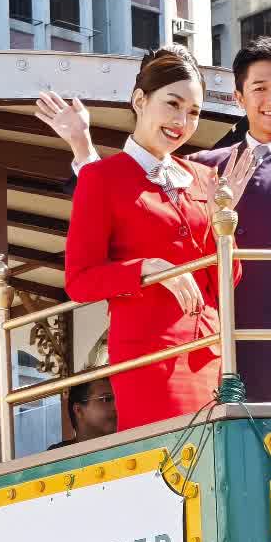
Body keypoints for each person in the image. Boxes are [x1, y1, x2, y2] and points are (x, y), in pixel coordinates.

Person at [44, 38, 271, 404]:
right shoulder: (201, 166)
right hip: (192, 352)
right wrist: (84, 150)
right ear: (239, 98)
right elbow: (126, 200)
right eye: (260, 88)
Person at [62, 45, 239, 430]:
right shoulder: (101, 178)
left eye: (193, 111)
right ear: (140, 100)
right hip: (149, 359)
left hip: (211, 354)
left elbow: (227, 278)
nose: (183, 121)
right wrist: (149, 269)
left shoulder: (205, 177)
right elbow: (79, 281)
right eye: (172, 104)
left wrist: (226, 223)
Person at [47, 377, 118, 450]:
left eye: (117, 398)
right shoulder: (56, 456)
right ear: (79, 410)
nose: (116, 406)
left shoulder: (126, 445)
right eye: (106, 399)